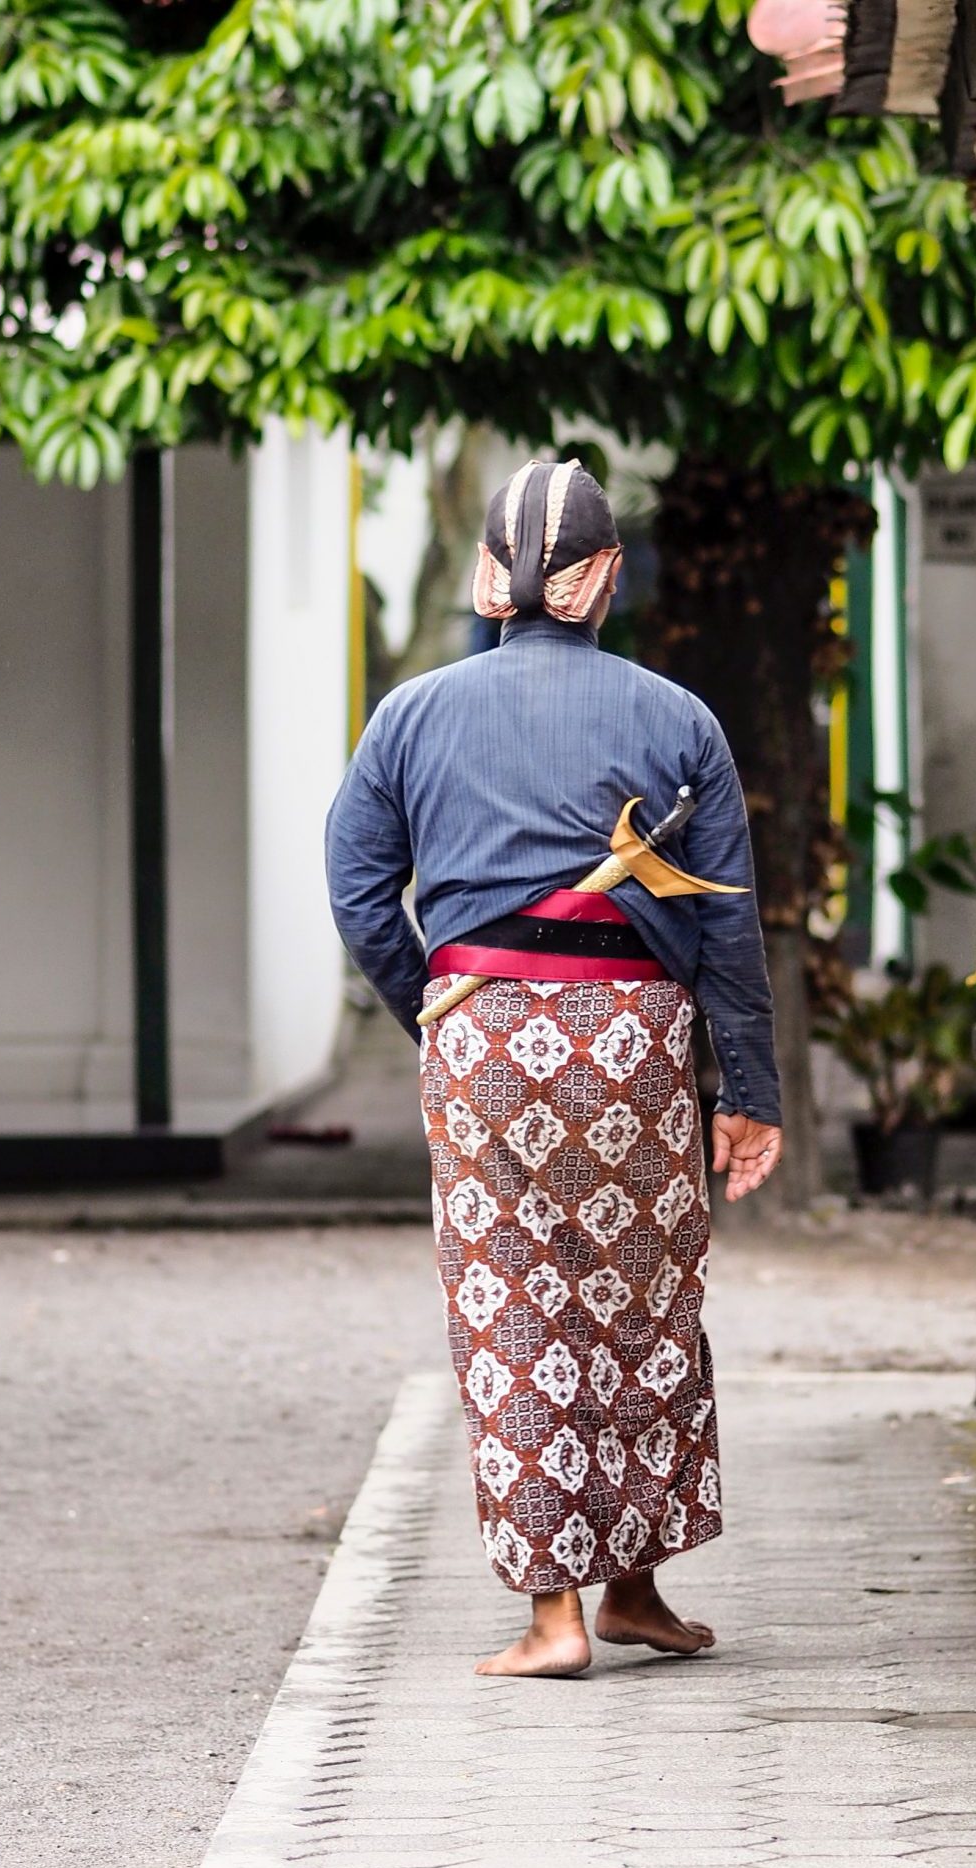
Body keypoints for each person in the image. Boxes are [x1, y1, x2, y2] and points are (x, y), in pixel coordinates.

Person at [324, 457, 781, 1678]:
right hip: (633, 1041)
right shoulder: (676, 717)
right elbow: (726, 925)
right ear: (604, 578)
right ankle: (636, 1586)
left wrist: (435, 1012)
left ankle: (554, 1618)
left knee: (512, 1307)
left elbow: (358, 889)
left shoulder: (408, 715)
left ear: (489, 575)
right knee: (644, 1304)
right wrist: (748, 1092)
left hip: (480, 1033)